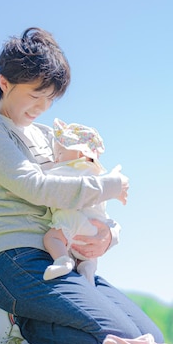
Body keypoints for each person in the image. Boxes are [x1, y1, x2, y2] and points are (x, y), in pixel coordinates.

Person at [0, 27, 164, 344]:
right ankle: (18, 322)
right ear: (5, 83)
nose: (42, 107)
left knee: (153, 340)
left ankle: (26, 319)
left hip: (64, 258)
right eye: (35, 96)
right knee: (126, 342)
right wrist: (109, 184)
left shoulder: (50, 136)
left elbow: (80, 184)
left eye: (50, 99)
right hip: (14, 260)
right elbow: (35, 186)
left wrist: (109, 234)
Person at [43, 118, 121, 284]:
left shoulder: (70, 168)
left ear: (79, 154)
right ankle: (87, 270)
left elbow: (46, 185)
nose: (56, 160)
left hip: (73, 221)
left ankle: (63, 261)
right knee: (88, 256)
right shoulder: (95, 175)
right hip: (96, 228)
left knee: (52, 238)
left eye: (59, 154)